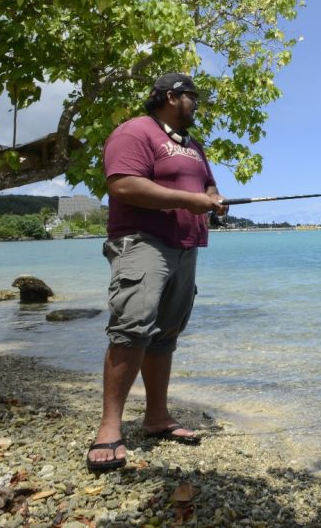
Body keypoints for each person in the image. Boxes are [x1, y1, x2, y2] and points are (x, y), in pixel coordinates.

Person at [86, 73, 228, 473]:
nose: (196, 104)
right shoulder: (135, 132)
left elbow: (209, 188)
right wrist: (190, 199)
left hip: (186, 247)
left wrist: (214, 202)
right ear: (171, 96)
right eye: (192, 97)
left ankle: (157, 417)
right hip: (143, 241)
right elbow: (123, 185)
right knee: (132, 328)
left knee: (165, 334)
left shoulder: (194, 147)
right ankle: (108, 428)